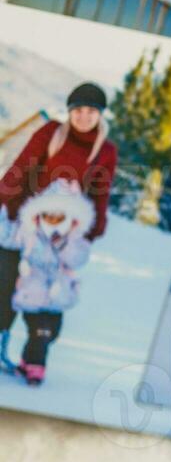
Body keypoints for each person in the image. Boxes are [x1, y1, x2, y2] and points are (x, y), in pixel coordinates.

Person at [0, 83, 117, 370]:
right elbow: (22, 166)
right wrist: (5, 199)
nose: (84, 117)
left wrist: (92, 230)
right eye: (78, 110)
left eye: (92, 111)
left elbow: (100, 193)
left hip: (58, 236)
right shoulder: (52, 133)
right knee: (5, 283)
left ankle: (35, 355)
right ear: (70, 111)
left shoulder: (105, 151)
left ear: (100, 115)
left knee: (44, 292)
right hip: (24, 221)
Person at [6, 181, 95, 385]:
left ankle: (27, 362)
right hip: (33, 293)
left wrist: (67, 242)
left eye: (59, 217)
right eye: (49, 216)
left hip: (57, 297)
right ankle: (36, 369)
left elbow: (78, 260)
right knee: (40, 332)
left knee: (51, 334)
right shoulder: (30, 234)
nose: (53, 221)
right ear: (40, 215)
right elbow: (9, 237)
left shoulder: (72, 239)